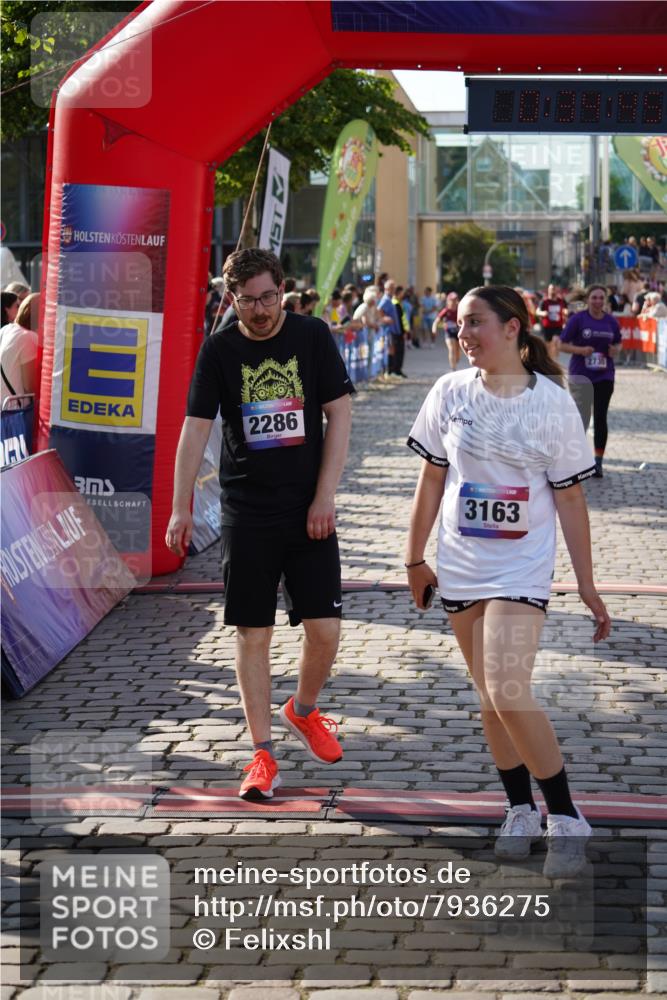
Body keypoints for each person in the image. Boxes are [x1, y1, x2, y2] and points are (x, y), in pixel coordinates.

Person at [405, 285, 610, 878]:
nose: (463, 333)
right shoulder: (448, 392)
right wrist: (414, 557)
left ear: (514, 328)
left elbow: (570, 498)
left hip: (521, 567)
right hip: (462, 562)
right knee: (489, 699)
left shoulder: (552, 402)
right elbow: (430, 482)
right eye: (459, 323)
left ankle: (567, 818)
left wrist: (588, 585)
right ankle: (518, 808)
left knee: (507, 689)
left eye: (476, 323)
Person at [166, 248, 354, 800]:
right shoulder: (219, 349)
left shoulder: (312, 335)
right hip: (246, 512)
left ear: (283, 290)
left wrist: (325, 496)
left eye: (269, 297)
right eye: (248, 300)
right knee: (254, 632)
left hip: (307, 507)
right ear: (233, 299)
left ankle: (303, 709)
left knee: (325, 630)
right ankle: (262, 756)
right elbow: (195, 429)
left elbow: (339, 413)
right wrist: (180, 506)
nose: (261, 309)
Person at [560, 285, 622, 479]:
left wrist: (615, 350)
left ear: (605, 300)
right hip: (581, 375)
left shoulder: (611, 321)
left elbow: (619, 342)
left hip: (605, 375)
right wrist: (581, 350)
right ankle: (578, 461)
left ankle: (598, 462)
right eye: (594, 298)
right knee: (582, 418)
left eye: (601, 298)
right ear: (587, 299)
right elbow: (562, 344)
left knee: (601, 417)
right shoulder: (578, 319)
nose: (597, 301)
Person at [1, 292, 39, 405]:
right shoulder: (29, 337)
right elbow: (30, 386)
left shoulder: (6, 330)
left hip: (4, 409)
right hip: (17, 412)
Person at [378, 279, 407, 378]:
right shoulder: (385, 299)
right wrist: (385, 318)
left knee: (394, 350)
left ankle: (392, 371)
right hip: (389, 330)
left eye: (394, 288)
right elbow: (379, 311)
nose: (393, 290)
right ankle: (389, 371)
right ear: (386, 288)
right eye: (391, 288)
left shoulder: (390, 299)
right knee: (391, 350)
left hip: (395, 329)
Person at [535, 284, 567, 361]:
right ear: (548, 290)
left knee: (556, 342)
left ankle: (555, 361)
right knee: (548, 347)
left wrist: (566, 313)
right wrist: (543, 313)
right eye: (551, 289)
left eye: (554, 289)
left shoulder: (561, 301)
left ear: (557, 290)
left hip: (558, 327)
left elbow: (566, 310)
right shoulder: (544, 301)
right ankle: (549, 361)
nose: (553, 291)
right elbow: (537, 312)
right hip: (547, 327)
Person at [432, 291, 460, 370]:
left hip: (459, 333)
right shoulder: (446, 311)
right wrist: (434, 329)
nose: (454, 302)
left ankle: (455, 361)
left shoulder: (460, 310)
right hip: (449, 332)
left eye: (455, 300)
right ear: (448, 301)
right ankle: (453, 369)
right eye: (452, 300)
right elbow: (436, 321)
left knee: (458, 353)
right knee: (451, 349)